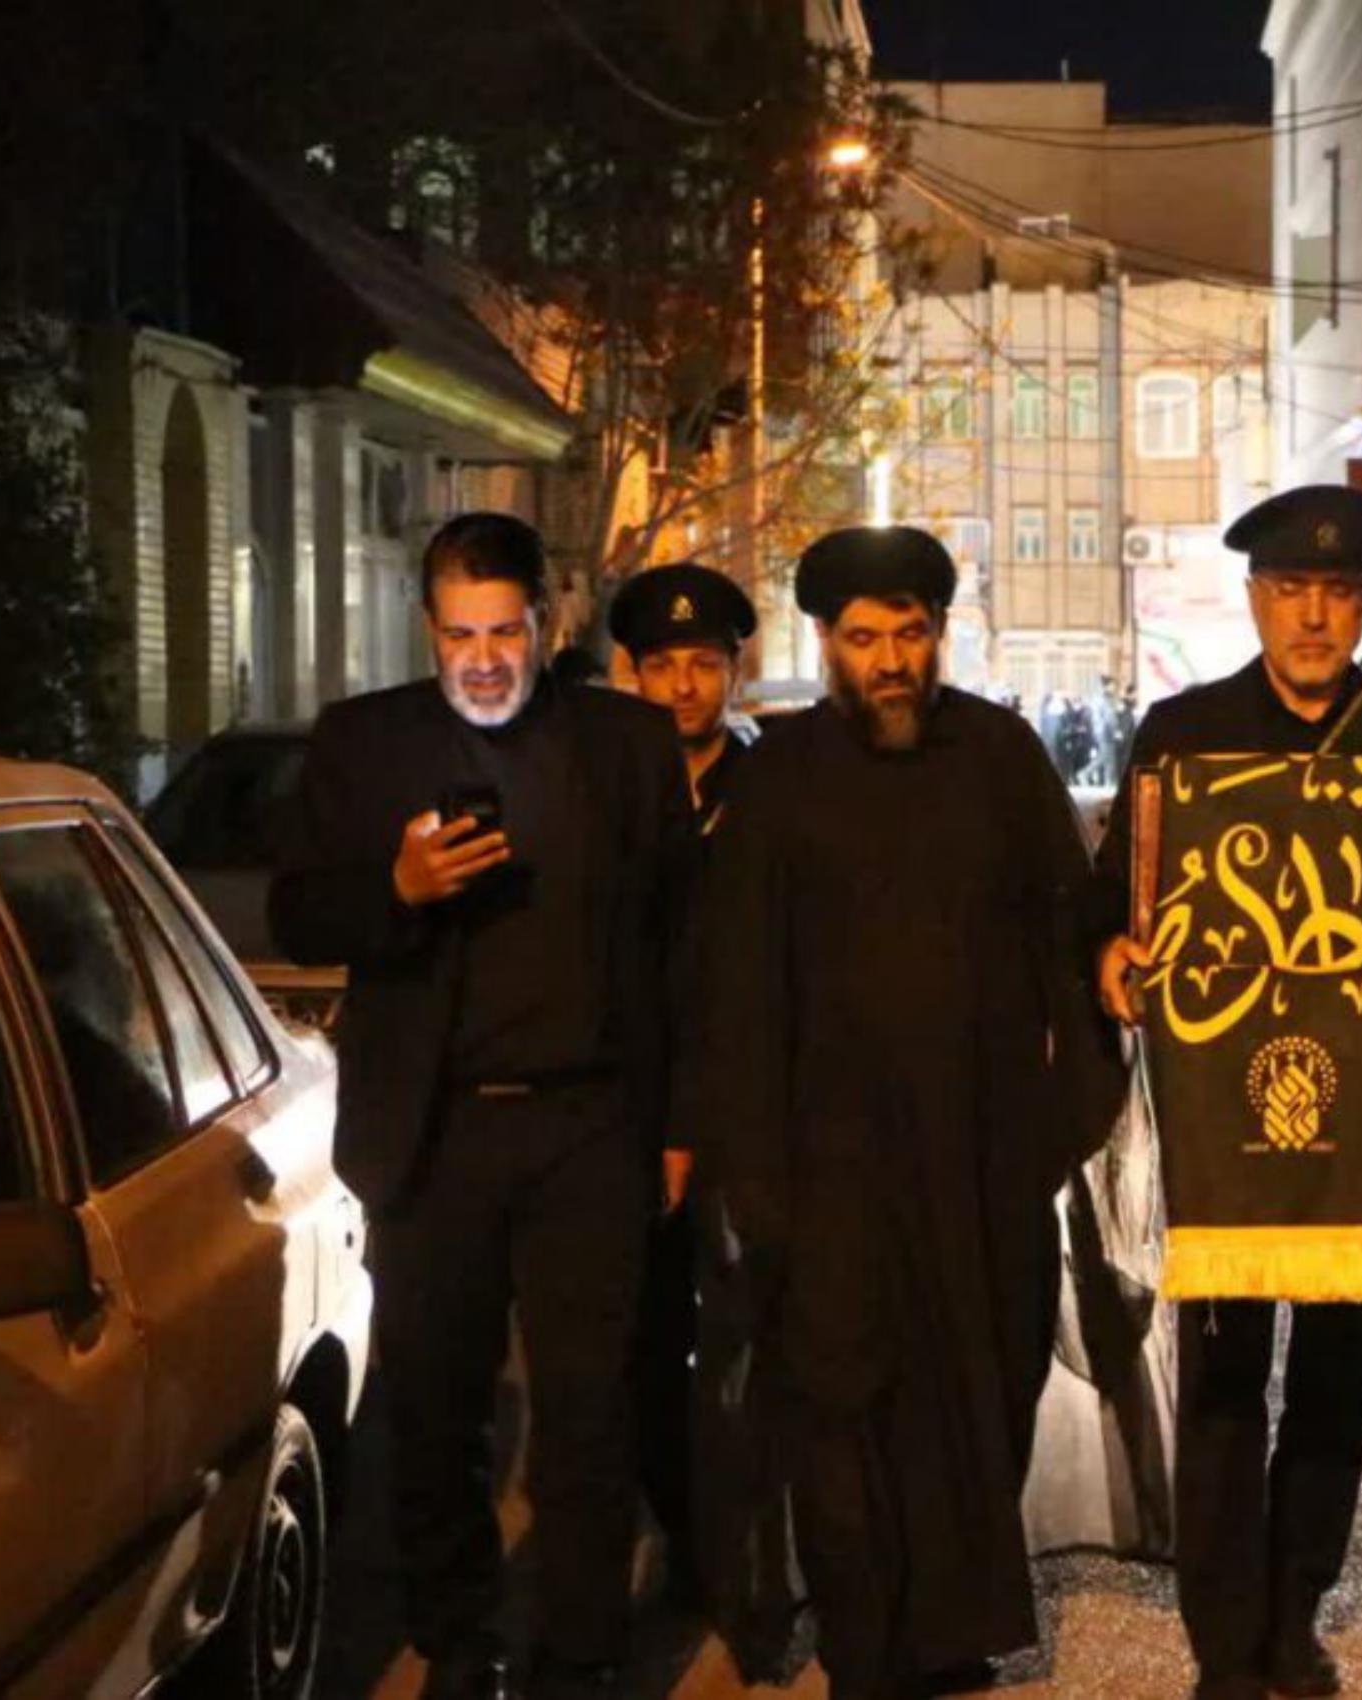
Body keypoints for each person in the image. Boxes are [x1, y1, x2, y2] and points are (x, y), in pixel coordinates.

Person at [675, 525, 1121, 1699]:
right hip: (825, 1163)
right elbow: (737, 983)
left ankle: (948, 1630)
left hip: (980, 1154)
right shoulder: (779, 777)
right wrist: (751, 1167)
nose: (888, 661)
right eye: (864, 638)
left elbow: (1072, 932)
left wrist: (1060, 1117)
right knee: (838, 1402)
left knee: (979, 1388)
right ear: (827, 643)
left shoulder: (1001, 756)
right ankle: (867, 1642)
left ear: (938, 634)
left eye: (908, 635)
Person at [270, 512, 694, 1698]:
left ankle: (581, 1650)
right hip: (434, 1131)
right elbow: (297, 915)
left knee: (587, 1408)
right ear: (427, 629)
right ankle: (459, 1640)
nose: (485, 659)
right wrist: (398, 888)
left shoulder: (625, 742)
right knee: (434, 1410)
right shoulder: (364, 743)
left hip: (588, 1125)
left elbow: (680, 942)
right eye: (460, 635)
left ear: (545, 623)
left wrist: (680, 1123)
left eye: (504, 631)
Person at [1086, 485, 1362, 1700]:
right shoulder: (1183, 731)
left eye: (1335, 592)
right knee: (1219, 1382)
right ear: (1255, 599)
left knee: (1334, 1377)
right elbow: (1115, 889)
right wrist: (1108, 948)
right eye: (1289, 590)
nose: (1312, 615)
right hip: (1223, 1108)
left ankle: (1294, 1610)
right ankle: (1225, 1642)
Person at [605, 561, 792, 1667]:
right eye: (662, 664)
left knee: (748, 1351)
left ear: (734, 669)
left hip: (748, 1107)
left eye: (703, 663)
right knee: (641, 1353)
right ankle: (683, 1539)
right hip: (629, 1113)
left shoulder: (772, 792)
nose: (683, 685)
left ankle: (749, 1576)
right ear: (631, 673)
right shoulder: (600, 787)